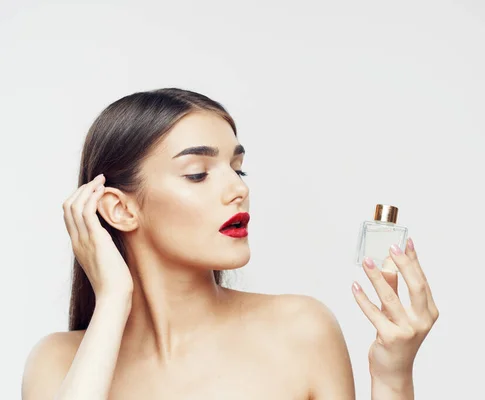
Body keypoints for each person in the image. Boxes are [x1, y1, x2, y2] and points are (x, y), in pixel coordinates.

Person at [21, 88, 439, 399]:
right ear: (119, 209)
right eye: (198, 173)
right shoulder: (58, 363)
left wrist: (392, 376)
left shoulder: (300, 329)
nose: (237, 190)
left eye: (238, 169)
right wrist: (112, 299)